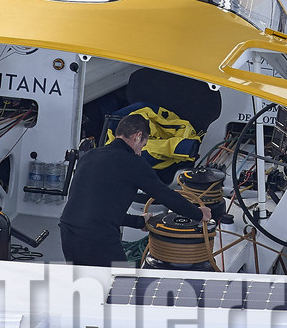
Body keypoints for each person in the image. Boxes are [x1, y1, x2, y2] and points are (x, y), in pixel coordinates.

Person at [59, 112, 212, 267]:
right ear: (138, 136)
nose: (139, 152)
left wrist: (139, 221)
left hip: (68, 231)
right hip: (97, 235)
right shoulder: (133, 163)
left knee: (85, 285)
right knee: (121, 285)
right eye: (143, 146)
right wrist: (199, 213)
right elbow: (165, 195)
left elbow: (100, 209)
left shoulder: (90, 156)